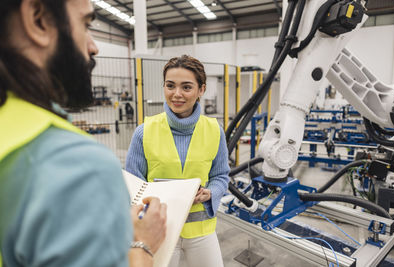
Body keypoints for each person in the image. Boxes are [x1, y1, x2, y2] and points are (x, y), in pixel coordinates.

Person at [0, 1, 166, 266]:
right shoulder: (79, 168)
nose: (93, 46)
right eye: (86, 25)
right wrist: (143, 244)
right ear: (38, 19)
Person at [126, 55, 230, 267]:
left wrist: (211, 193)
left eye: (187, 87)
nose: (177, 94)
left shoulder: (214, 131)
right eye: (170, 86)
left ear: (201, 90)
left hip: (202, 231)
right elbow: (132, 186)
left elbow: (221, 176)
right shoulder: (144, 132)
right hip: (158, 230)